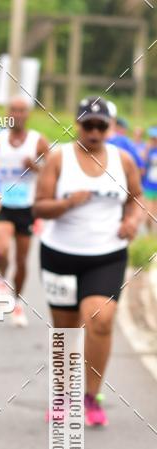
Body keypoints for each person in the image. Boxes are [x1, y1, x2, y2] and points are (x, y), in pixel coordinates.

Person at [34, 97, 142, 427]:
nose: (94, 132)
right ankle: (63, 395)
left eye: (100, 126)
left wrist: (132, 220)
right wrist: (67, 203)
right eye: (88, 125)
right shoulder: (59, 158)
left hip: (106, 255)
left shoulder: (123, 160)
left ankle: (91, 396)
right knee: (66, 330)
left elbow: (135, 198)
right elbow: (39, 207)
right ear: (77, 125)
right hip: (60, 254)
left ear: (110, 127)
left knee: (100, 319)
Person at [0, 95, 50, 327]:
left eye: (22, 110)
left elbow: (53, 173)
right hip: (2, 204)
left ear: (28, 114)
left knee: (22, 260)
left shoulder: (38, 141)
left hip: (26, 207)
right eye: (13, 110)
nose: (17, 114)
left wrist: (35, 167)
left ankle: (17, 302)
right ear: (7, 113)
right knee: (2, 249)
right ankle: (1, 279)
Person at [141, 126, 157, 232]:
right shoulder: (148, 150)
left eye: (154, 138)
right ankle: (149, 233)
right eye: (151, 138)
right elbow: (142, 163)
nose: (152, 140)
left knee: (154, 211)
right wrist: (146, 149)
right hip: (149, 185)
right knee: (148, 211)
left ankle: (153, 234)